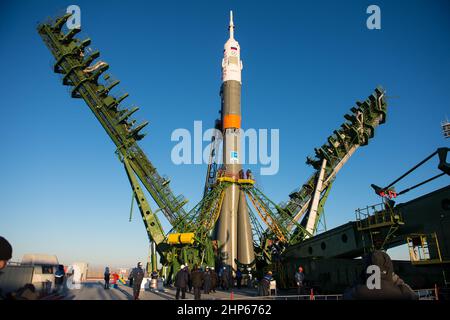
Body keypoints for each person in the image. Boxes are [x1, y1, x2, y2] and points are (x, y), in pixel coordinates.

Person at [343, 250, 418, 300]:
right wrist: (396, 279)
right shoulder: (404, 292)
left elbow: (346, 295)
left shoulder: (357, 292)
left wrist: (361, 278)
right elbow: (414, 296)